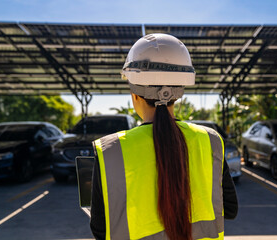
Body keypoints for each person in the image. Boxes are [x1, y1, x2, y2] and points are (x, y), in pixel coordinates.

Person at [90, 33, 238, 240]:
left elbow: (99, 229)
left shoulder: (111, 150)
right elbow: (229, 210)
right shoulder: (211, 140)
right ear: (180, 92)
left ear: (134, 93)